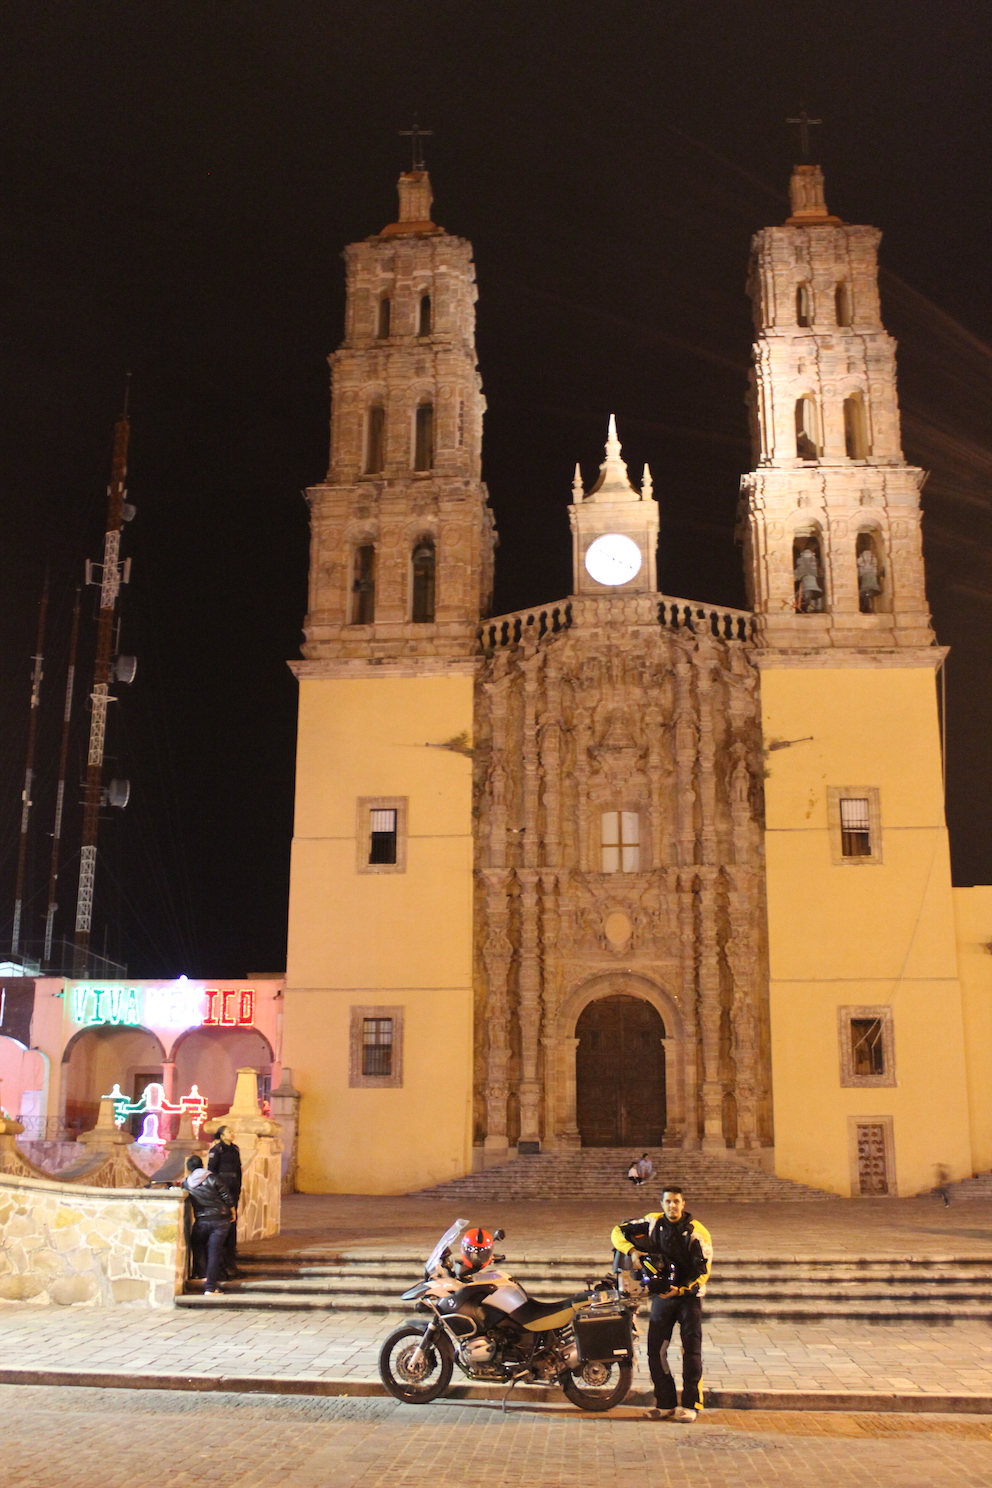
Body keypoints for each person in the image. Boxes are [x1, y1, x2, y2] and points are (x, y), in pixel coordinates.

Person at [611, 1185, 713, 1423]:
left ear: (683, 1204)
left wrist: (681, 1289)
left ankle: (690, 1405)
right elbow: (617, 1231)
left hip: (688, 1298)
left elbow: (702, 1271)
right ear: (662, 1204)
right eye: (668, 1202)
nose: (672, 1206)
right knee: (655, 1351)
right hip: (662, 1298)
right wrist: (632, 1251)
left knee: (691, 1352)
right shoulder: (652, 1222)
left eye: (676, 1201)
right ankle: (665, 1403)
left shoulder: (697, 1232)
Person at [183, 1155, 235, 1295]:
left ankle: (201, 1275)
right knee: (214, 1252)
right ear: (202, 1164)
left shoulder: (187, 1183)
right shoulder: (214, 1178)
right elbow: (226, 1196)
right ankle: (210, 1287)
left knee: (197, 1245)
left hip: (201, 1220)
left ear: (189, 1169)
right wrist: (232, 1211)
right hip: (220, 1220)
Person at [208, 1125, 243, 1277]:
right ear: (221, 1136)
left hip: (233, 1187)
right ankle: (224, 1256)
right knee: (225, 1219)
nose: (232, 1133)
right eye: (229, 1132)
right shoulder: (217, 1151)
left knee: (233, 1219)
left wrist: (239, 1186)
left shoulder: (234, 1149)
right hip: (222, 1187)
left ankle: (231, 1250)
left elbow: (238, 1170)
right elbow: (212, 1171)